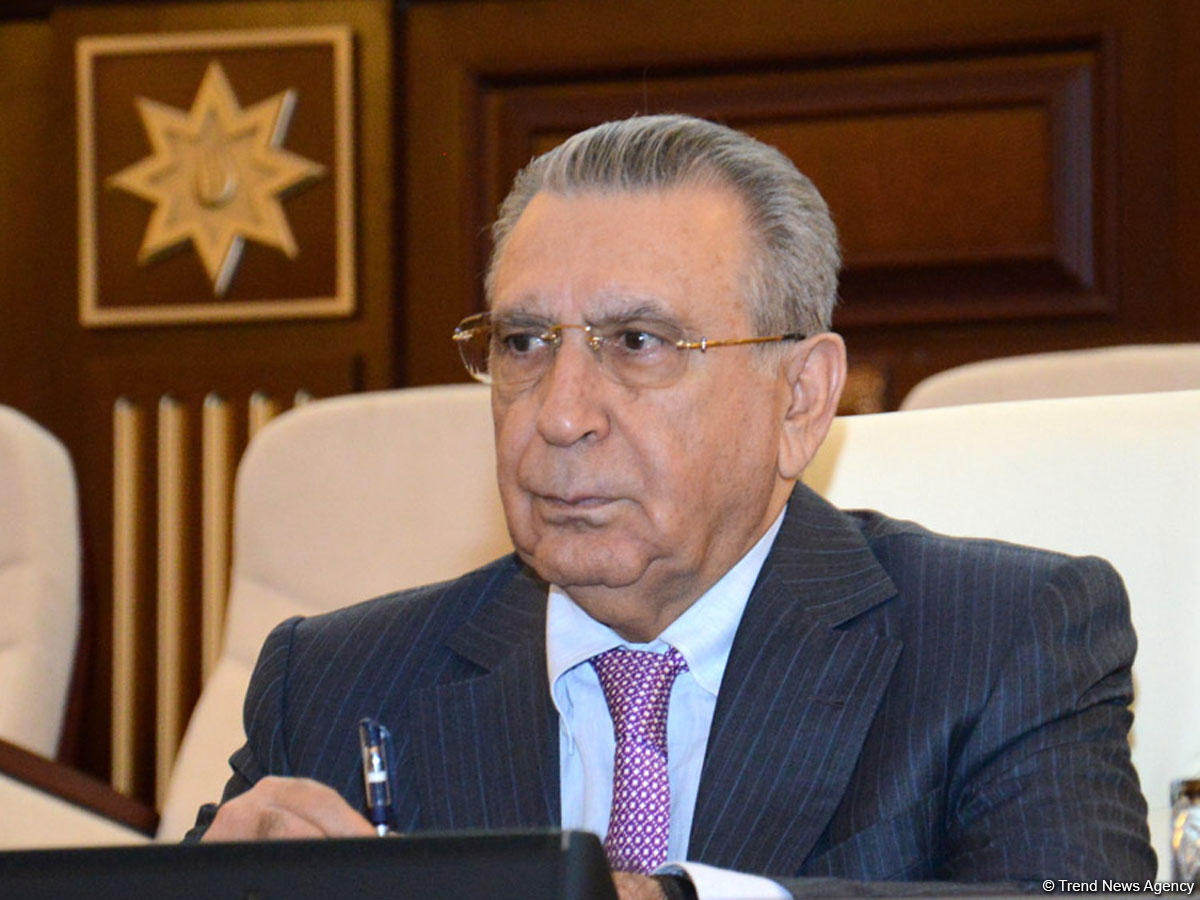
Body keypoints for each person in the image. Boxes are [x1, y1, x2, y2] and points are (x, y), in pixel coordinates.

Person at [190, 114, 1156, 897]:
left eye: (639, 342)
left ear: (800, 399)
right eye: (524, 343)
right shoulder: (332, 682)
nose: (560, 414)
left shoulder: (1002, 641)